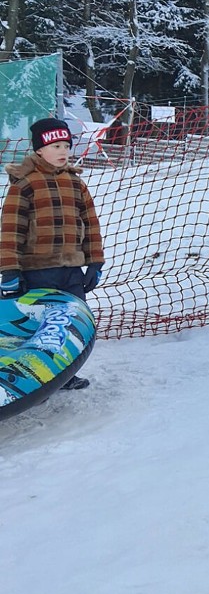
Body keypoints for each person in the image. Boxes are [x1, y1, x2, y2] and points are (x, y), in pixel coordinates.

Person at [0, 117, 106, 390]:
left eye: (65, 146)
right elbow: (10, 231)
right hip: (36, 272)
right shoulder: (24, 184)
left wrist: (94, 262)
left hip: (71, 271)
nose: (62, 152)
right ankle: (29, 381)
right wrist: (10, 270)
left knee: (68, 325)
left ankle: (63, 376)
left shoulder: (76, 183)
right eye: (55, 146)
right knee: (39, 328)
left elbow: (91, 224)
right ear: (39, 151)